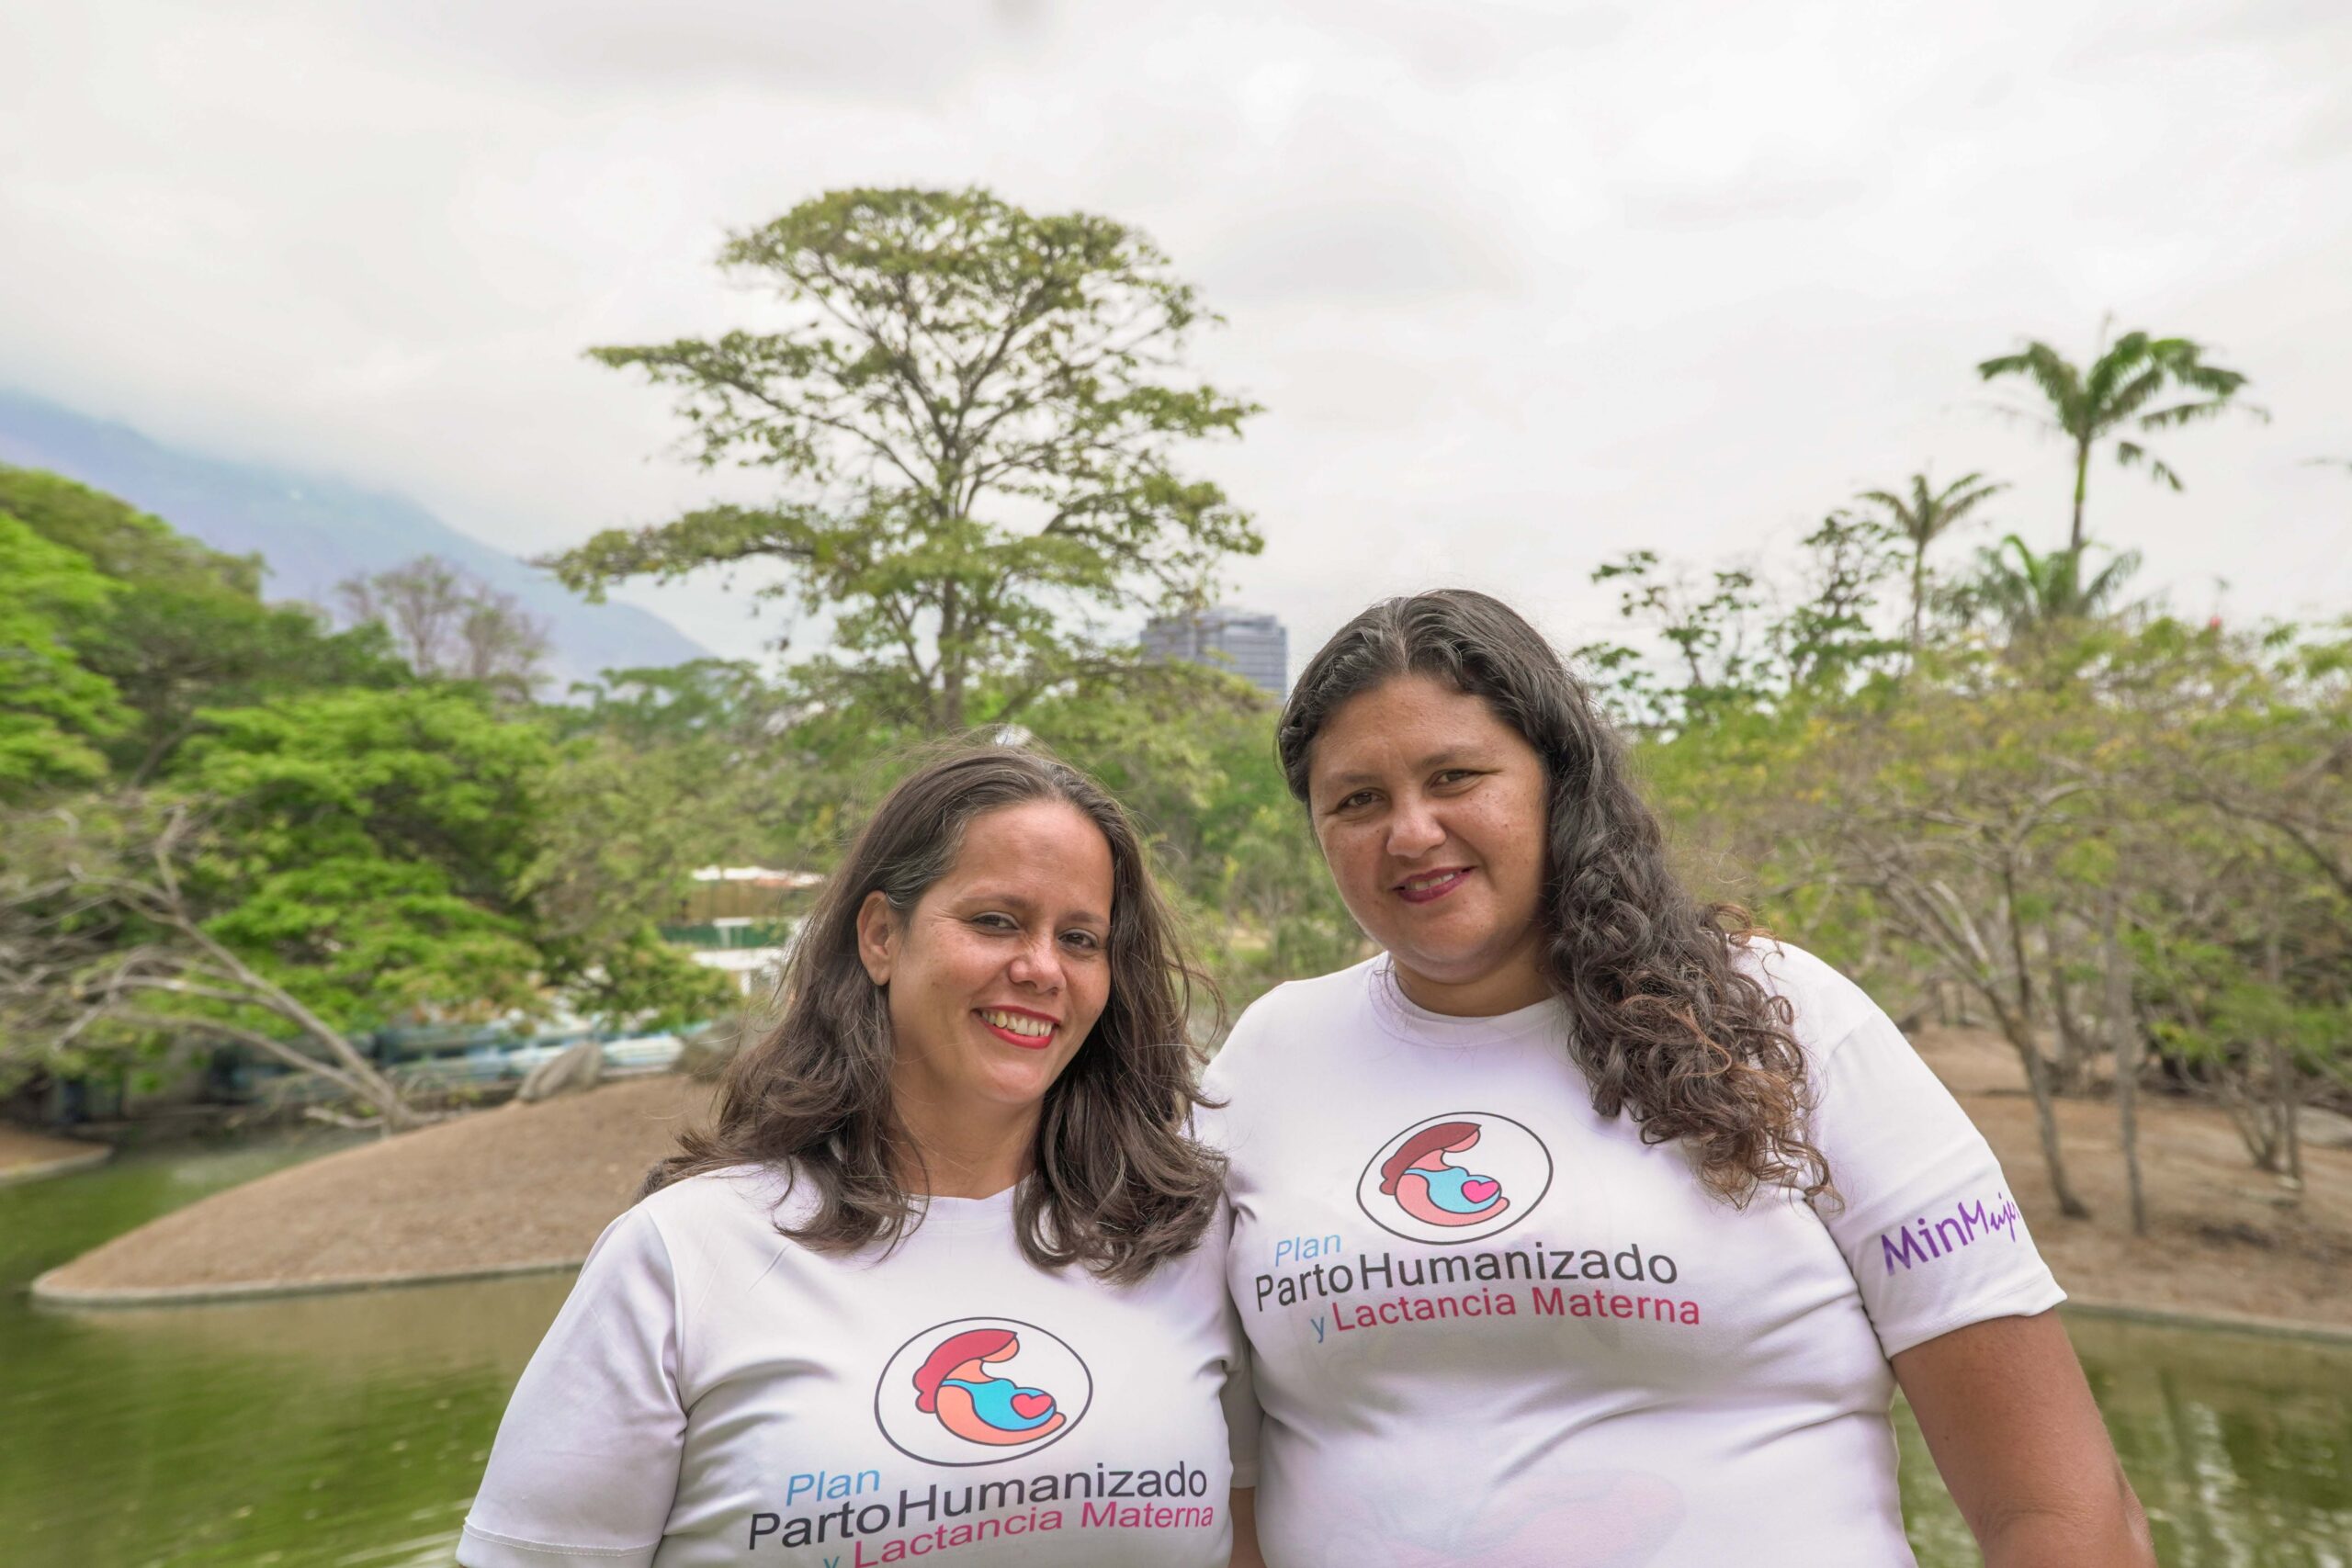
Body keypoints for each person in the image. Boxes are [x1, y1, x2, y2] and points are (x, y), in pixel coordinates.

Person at [1207, 590, 2154, 1568]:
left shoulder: (1784, 1019)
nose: (1409, 831)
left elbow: (2061, 1510)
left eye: (1455, 776)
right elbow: (1217, 1477)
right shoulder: (1270, 1056)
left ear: (1555, 784)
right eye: (1357, 800)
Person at [459, 746, 1254, 1568]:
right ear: (880, 934)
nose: (1041, 967)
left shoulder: (1178, 1237)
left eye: (1081, 937)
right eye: (995, 921)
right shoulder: (683, 1253)